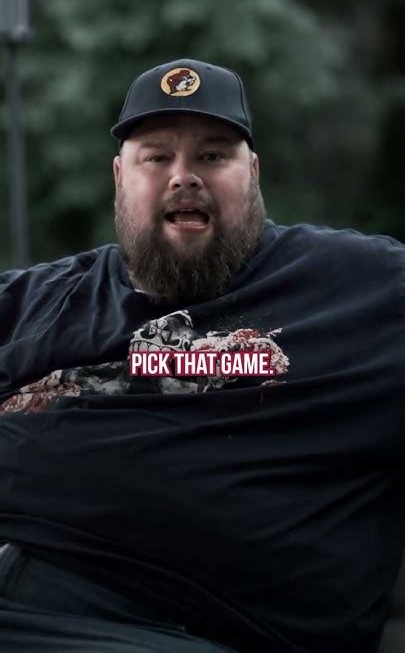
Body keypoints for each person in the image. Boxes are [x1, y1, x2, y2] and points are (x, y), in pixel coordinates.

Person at [0, 58, 404, 653]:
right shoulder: (40, 301)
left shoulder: (366, 289)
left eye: (213, 156)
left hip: (179, 630)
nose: (183, 177)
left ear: (254, 173)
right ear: (120, 176)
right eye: (156, 157)